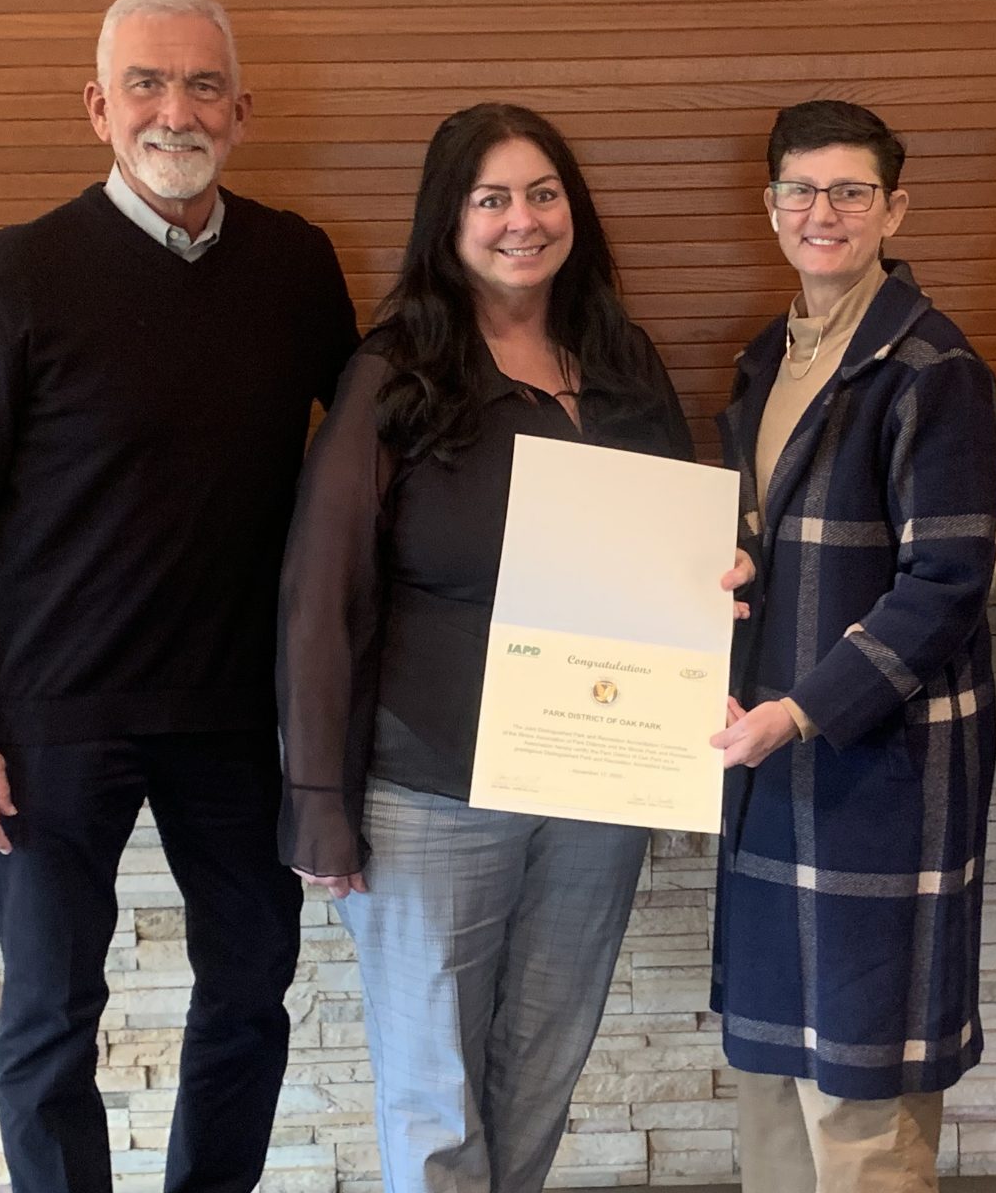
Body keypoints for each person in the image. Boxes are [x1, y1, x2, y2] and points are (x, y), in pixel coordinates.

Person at [0, 0, 358, 1189]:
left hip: (237, 718)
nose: (175, 111)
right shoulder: (13, 277)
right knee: (49, 1012)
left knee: (252, 990)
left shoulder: (296, 267)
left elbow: (370, 468)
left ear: (241, 114)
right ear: (99, 108)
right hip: (50, 719)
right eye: (146, 84)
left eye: (203, 87)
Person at [274, 103, 722, 1193]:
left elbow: (675, 544)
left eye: (541, 194)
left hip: (594, 785)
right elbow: (319, 593)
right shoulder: (396, 369)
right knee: (434, 1087)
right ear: (448, 220)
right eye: (490, 199)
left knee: (539, 1066)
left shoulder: (620, 360)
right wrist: (316, 800)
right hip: (429, 793)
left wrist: (722, 578)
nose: (520, 221)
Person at [708, 100, 996, 1193]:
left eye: (850, 191)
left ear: (893, 208)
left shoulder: (931, 367)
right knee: (775, 1077)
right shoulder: (761, 362)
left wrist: (796, 710)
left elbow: (946, 585)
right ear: (769, 205)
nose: (820, 212)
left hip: (880, 774)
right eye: (799, 189)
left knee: (861, 1098)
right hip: (771, 767)